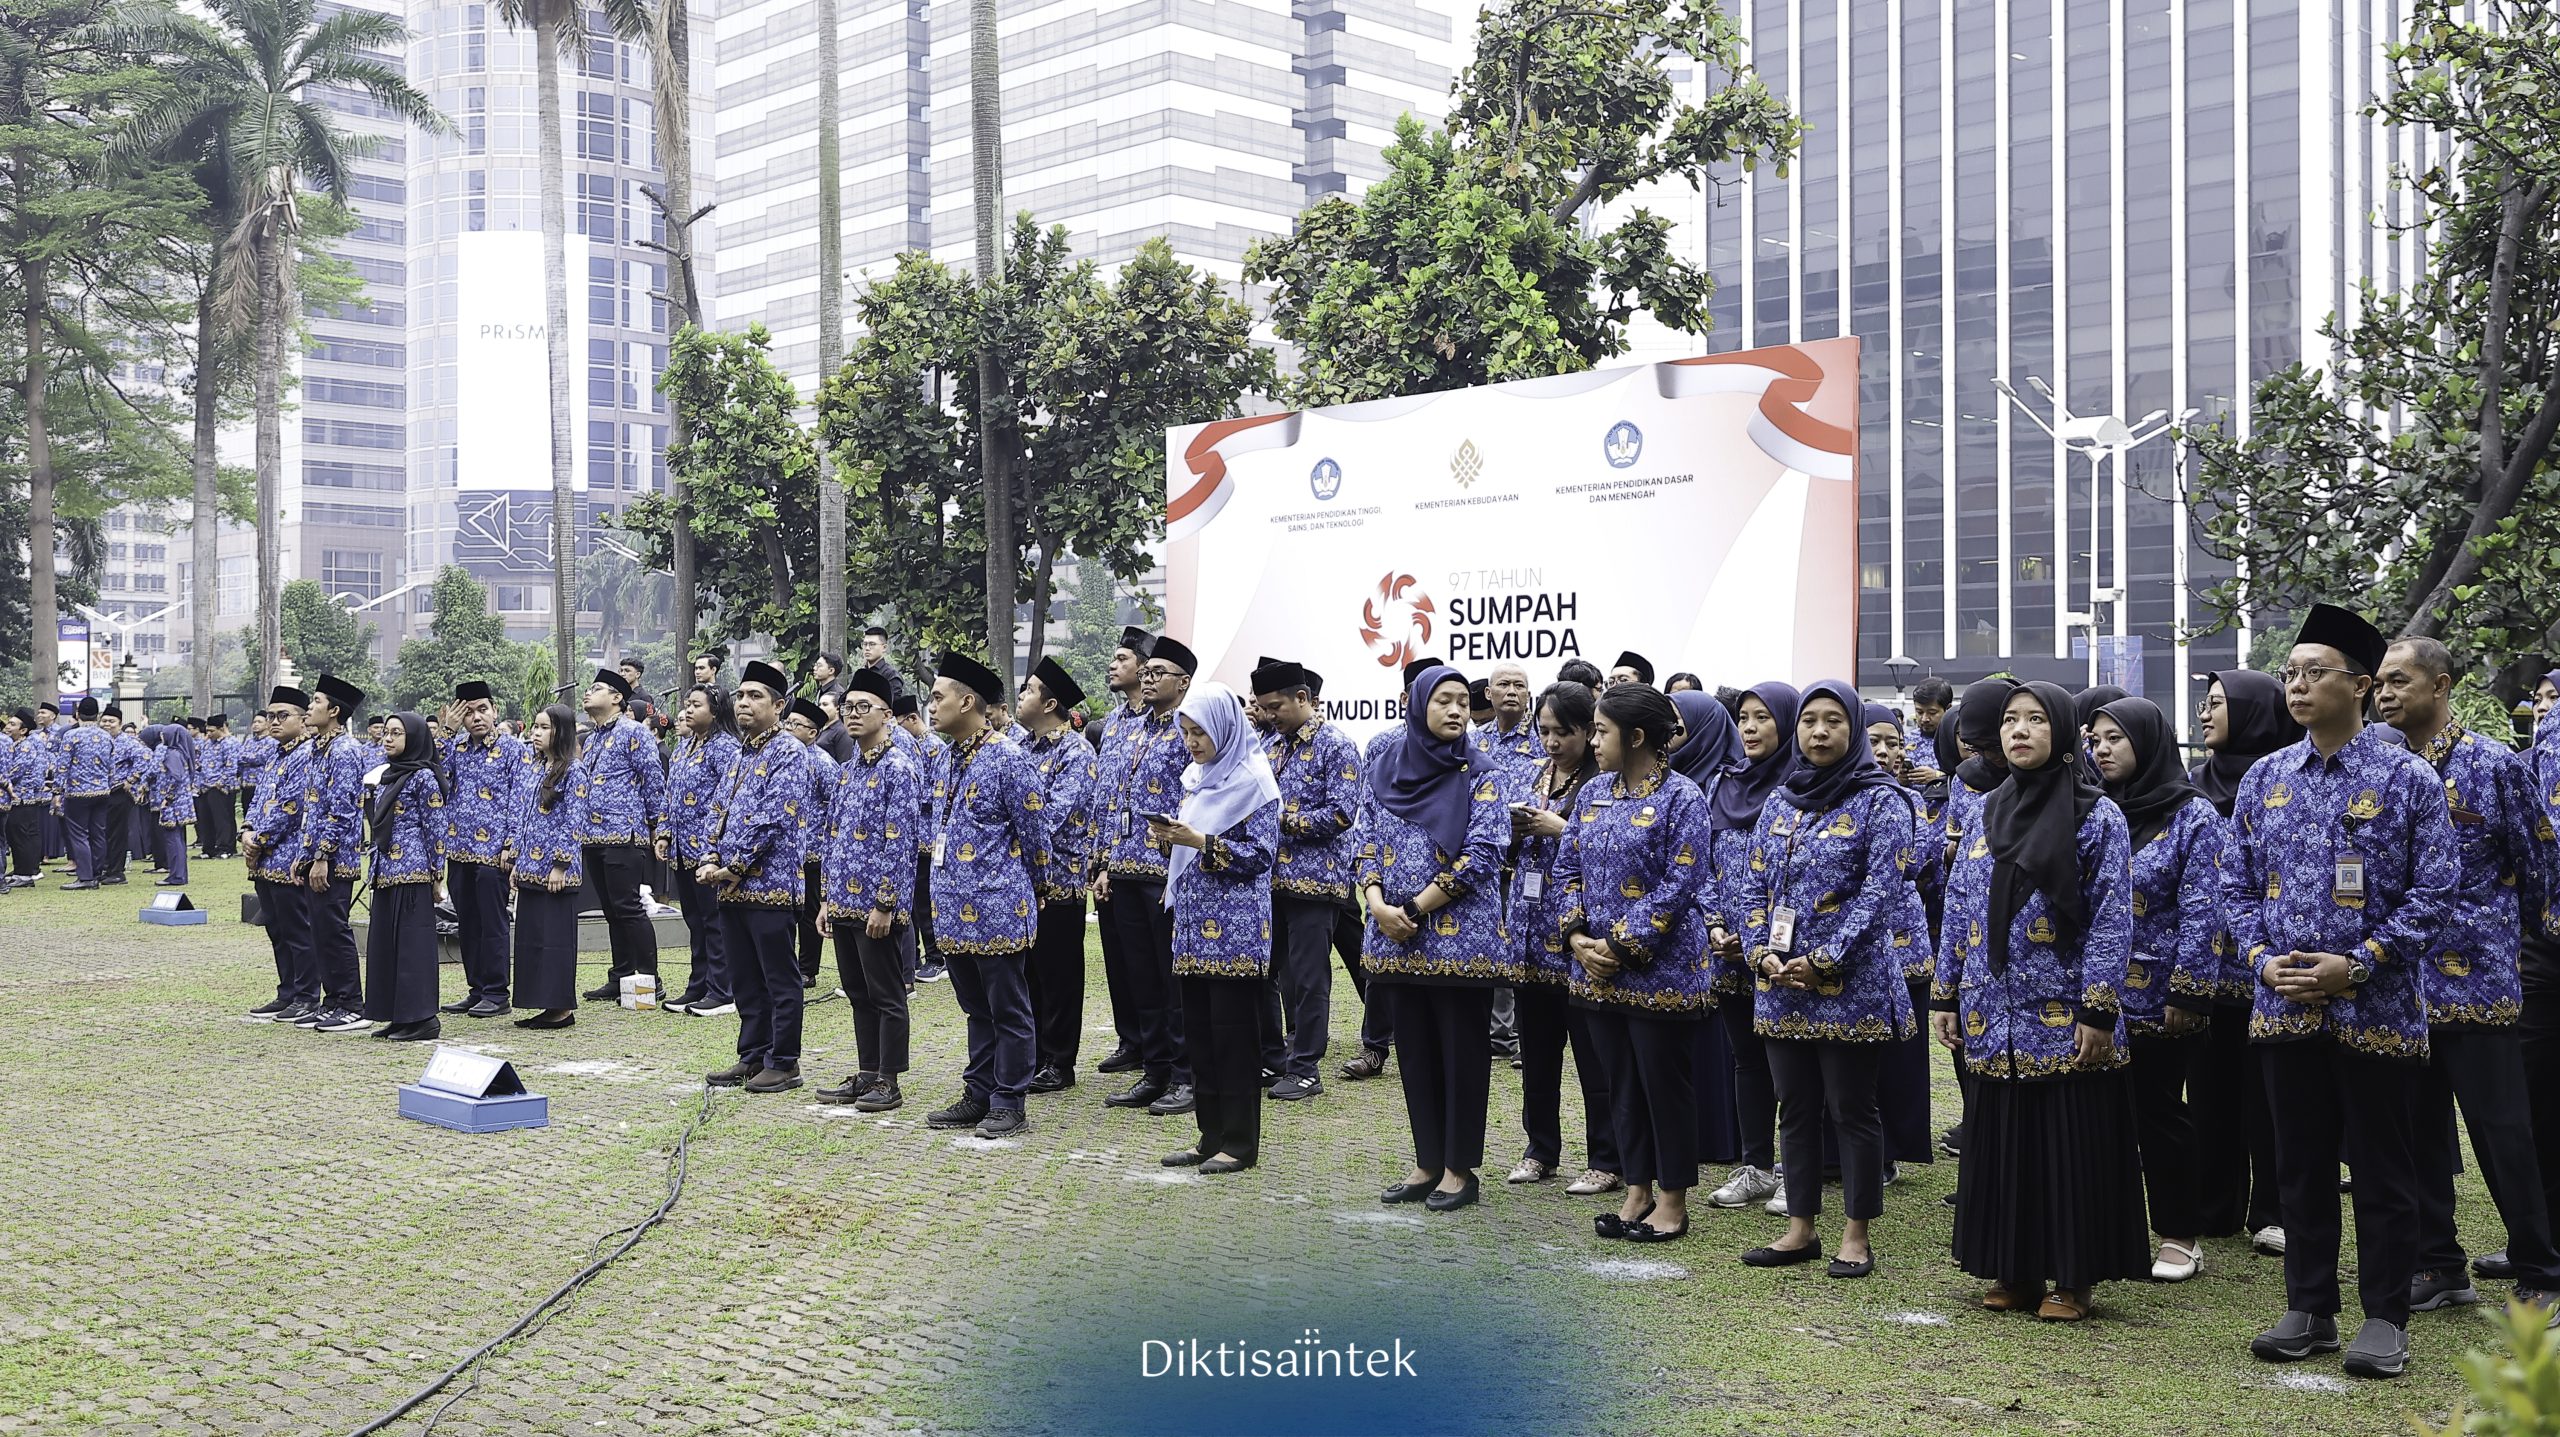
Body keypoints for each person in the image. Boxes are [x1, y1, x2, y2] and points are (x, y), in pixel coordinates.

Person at [2224, 606, 2459, 1379]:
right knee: (2300, 1165)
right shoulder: (2265, 778)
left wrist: (2358, 964)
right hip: (2283, 1008)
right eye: (2290, 673)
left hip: (2377, 1010)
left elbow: (2436, 892)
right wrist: (2262, 961)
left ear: (2359, 686)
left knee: (2385, 1171)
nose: (2297, 685)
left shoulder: (2407, 778)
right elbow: (2234, 886)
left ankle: (2385, 1315)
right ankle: (2309, 1306)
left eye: (2313, 672)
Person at [1935, 681, 2146, 1321]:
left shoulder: (2097, 815)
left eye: (2035, 719)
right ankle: (2015, 1269)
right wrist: (1947, 993)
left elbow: (2112, 919)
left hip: (2064, 1013)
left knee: (2067, 1144)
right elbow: (1959, 907)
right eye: (2009, 720)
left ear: (2063, 733)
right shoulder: (1983, 811)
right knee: (2006, 1143)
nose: (2019, 730)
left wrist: (2098, 1009)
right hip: (1991, 1012)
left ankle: (2072, 1279)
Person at [2375, 637, 2560, 1316]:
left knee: (2502, 1133)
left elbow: (2542, 864)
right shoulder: (2382, 771)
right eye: (2380, 683)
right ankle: (2439, 1264)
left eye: (2400, 681)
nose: (2386, 694)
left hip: (2480, 984)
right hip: (2401, 986)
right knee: (2418, 1133)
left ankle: (2542, 1270)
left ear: (2441, 684)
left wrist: (2531, 951)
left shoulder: (2494, 765)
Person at [1735, 681, 1914, 1275]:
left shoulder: (1883, 801)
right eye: (1809, 720)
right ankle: (1800, 1229)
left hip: (1850, 987)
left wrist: (1825, 960)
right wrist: (1760, 951)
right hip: (1781, 984)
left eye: (1833, 720)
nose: (1818, 731)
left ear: (1853, 728)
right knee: (1794, 1106)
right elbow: (1753, 883)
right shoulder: (1782, 800)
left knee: (1851, 1109)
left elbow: (1880, 895)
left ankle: (1856, 1235)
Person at [1551, 683, 1718, 1242]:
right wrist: (1577, 937)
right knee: (1620, 1084)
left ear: (1637, 736)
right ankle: (1636, 1190)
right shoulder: (1594, 793)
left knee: (1663, 1086)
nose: (1593, 742)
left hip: (1661, 973)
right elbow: (1565, 868)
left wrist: (1619, 946)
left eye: (1601, 731)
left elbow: (1682, 882)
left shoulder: (1682, 797)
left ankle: (1672, 1200)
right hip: (1595, 972)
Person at [1363, 664, 1516, 1213]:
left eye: (1462, 702)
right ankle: (1426, 1162)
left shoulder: (1483, 774)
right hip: (1396, 939)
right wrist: (1377, 903)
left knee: (1462, 1057)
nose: (1455, 710)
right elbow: (1365, 842)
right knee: (1416, 1055)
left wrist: (1413, 908)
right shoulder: (1384, 767)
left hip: (1460, 944)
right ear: (1417, 705)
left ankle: (1459, 1168)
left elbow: (1484, 853)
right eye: (1442, 700)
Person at [2089, 695, 2224, 1284]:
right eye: (2095, 740)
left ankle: (2178, 1234)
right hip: (2097, 993)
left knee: (2158, 1111)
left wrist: (2189, 993)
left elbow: (2205, 910)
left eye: (2115, 738)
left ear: (2147, 742)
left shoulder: (2193, 816)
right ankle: (2110, 1228)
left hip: (2159, 996)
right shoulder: (2093, 809)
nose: (2102, 749)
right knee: (2098, 1116)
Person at [2189, 667, 2302, 1252]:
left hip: (2272, 970)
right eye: (2204, 703)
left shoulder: (2288, 781)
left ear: (2255, 712)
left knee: (2272, 1098)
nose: (2205, 713)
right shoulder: (2192, 784)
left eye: (2218, 703)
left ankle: (2274, 1210)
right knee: (2212, 1092)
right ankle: (2216, 1204)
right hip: (2209, 972)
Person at [920, 652, 1055, 1139]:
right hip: (952, 909)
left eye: (938, 697)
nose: (931, 706)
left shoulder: (1009, 758)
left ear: (967, 702)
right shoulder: (945, 758)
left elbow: (1036, 834)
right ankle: (978, 1093)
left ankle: (1009, 1101)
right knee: (976, 1009)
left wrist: (1038, 888)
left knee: (1008, 1009)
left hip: (998, 907)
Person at [1155, 681, 1283, 1174]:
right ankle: (1210, 1136)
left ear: (1225, 728)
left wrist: (1202, 842)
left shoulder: (1255, 782)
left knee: (1234, 1040)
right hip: (1191, 930)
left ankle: (1240, 1142)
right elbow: (1190, 847)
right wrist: (1171, 839)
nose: (1192, 742)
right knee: (1201, 1040)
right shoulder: (1197, 779)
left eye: (1200, 732)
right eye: (1186, 732)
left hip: (1236, 932)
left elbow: (1260, 857)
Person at [1504, 681, 1617, 1188]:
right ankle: (1540, 1149)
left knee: (1593, 1059)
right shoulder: (1533, 774)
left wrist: (1561, 828)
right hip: (1530, 936)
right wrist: (1511, 830)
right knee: (1537, 1056)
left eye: (1563, 732)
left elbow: (1613, 851)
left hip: (1579, 938)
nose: (1552, 742)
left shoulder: (1604, 782)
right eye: (1544, 730)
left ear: (1588, 730)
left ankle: (1606, 1159)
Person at [1702, 682, 1800, 1212]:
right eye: (1743, 717)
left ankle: (1796, 1171)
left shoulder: (1803, 786)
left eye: (1763, 717)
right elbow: (1704, 864)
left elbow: (1805, 879)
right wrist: (1717, 926)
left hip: (1782, 954)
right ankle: (1756, 1165)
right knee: (1747, 1060)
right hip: (1728, 952)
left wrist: (1761, 940)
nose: (1751, 728)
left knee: (1792, 1067)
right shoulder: (1724, 783)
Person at [1249, 660, 1362, 1103]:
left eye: (1275, 706)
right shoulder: (1269, 745)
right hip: (1269, 880)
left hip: (1317, 884)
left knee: (1310, 979)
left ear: (1302, 698)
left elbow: (1341, 813)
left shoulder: (1337, 745)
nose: (1269, 715)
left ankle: (1306, 1068)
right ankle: (1272, 1059)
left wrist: (1280, 821)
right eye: (1263, 707)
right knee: (1264, 972)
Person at [1097, 637, 1201, 1116]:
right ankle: (1155, 1070)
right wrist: (1104, 863)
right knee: (1141, 977)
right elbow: (1112, 800)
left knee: (1172, 978)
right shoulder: (1131, 729)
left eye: (1160, 672)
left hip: (1167, 872)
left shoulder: (1190, 731)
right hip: (1124, 868)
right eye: (1148, 671)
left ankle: (1186, 1075)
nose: (1149, 679)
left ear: (1183, 682)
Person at [698, 662, 812, 1088]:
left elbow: (773, 819)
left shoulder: (789, 752)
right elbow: (717, 811)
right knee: (745, 977)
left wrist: (735, 865)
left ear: (779, 706)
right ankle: (752, 1055)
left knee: (778, 978)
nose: (743, 703)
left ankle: (783, 1061)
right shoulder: (740, 753)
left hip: (771, 887)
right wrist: (710, 856)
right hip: (731, 888)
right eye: (741, 696)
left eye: (755, 696)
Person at [813, 669, 922, 1111]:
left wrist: (885, 903)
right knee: (857, 992)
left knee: (886, 994)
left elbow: (901, 843)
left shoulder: (899, 768)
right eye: (848, 708)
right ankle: (866, 1072)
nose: (853, 715)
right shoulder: (847, 771)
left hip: (878, 906)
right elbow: (831, 836)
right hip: (843, 902)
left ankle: (888, 1080)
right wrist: (825, 899)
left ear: (887, 715)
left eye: (864, 707)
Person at [1018, 657, 1097, 1093]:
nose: (1021, 696)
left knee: (1059, 975)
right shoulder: (1022, 748)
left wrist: (1009, 831)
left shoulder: (1075, 752)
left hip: (1060, 881)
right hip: (1023, 881)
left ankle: (1059, 1061)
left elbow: (1049, 818)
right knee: (1029, 972)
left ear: (1050, 704)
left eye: (1029, 690)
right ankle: (1033, 1055)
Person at [575, 667, 670, 1002]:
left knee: (628, 908)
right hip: (593, 835)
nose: (588, 692)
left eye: (596, 688)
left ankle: (649, 980)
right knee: (612, 910)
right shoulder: (592, 738)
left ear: (616, 697)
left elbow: (653, 780)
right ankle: (621, 976)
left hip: (623, 834)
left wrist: (657, 826)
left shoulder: (634, 732)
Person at [436, 682, 524, 1019]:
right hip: (459, 850)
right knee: (467, 924)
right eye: (468, 712)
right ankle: (476, 989)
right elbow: (433, 776)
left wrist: (511, 846)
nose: (476, 718)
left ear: (495, 711)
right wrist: (446, 731)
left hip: (493, 854)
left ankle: (497, 992)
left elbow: (520, 799)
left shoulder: (513, 749)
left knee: (492, 923)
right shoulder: (456, 747)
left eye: (482, 710)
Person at [1089, 628, 1154, 1073]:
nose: (1113, 665)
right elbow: (1104, 798)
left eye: (1122, 658)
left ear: (1144, 669)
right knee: (1117, 955)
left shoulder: (1165, 720)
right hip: (1110, 856)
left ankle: (1157, 1047)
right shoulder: (1110, 724)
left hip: (1149, 861)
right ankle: (1130, 1040)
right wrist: (1100, 862)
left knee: (1148, 962)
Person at [360, 713, 447, 1041]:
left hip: (413, 872)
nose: (388, 738)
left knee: (413, 948)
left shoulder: (424, 777)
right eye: (386, 732)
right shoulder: (389, 774)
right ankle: (398, 1015)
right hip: (385, 871)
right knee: (387, 946)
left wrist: (437, 875)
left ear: (414, 738)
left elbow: (436, 827)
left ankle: (422, 1019)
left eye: (397, 733)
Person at [298, 675, 372, 1033]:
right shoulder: (319, 748)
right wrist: (304, 855)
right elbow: (312, 809)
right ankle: (332, 1001)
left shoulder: (344, 751)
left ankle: (351, 1003)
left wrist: (323, 857)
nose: (309, 707)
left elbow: (341, 811)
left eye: (316, 701)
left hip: (335, 860)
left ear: (334, 711)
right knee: (320, 931)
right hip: (315, 855)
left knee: (334, 929)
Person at [661, 683, 740, 1017]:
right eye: (687, 704)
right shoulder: (683, 747)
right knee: (694, 920)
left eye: (696, 704)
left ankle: (722, 990)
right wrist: (664, 833)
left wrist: (718, 849)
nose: (688, 710)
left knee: (714, 921)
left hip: (709, 852)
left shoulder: (726, 748)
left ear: (715, 710)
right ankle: (698, 985)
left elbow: (730, 801)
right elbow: (669, 793)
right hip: (682, 850)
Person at [240, 689, 318, 1021]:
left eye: (283, 715)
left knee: (298, 930)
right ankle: (287, 992)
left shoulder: (306, 754)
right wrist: (246, 831)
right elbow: (258, 800)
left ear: (303, 719)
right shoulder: (275, 755)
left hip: (289, 857)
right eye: (270, 716)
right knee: (276, 928)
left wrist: (257, 840)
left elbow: (291, 807)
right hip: (264, 859)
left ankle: (307, 995)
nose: (274, 722)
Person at [509, 705, 586, 1031]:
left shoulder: (574, 771)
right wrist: (516, 860)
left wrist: (560, 864)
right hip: (529, 867)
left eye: (544, 728)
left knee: (555, 940)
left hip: (555, 872)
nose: (535, 734)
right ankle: (542, 1003)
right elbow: (524, 816)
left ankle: (560, 1009)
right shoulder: (537, 767)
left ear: (561, 732)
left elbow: (574, 822)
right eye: (535, 727)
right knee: (532, 939)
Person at [785, 697, 838, 989]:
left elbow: (835, 806)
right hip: (787, 850)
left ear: (812, 732)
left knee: (809, 912)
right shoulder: (783, 758)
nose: (789, 729)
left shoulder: (822, 763)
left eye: (796, 725)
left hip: (813, 851)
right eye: (787, 723)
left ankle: (807, 969)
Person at [1471, 662, 1543, 778]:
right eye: (1503, 684)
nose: (1512, 692)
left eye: (1519, 686)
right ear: (1488, 693)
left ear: (1527, 696)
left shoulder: (1544, 735)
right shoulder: (1473, 740)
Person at [149, 722, 194, 886]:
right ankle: (179, 874)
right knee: (177, 839)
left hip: (173, 804)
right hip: (180, 802)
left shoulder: (172, 754)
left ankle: (176, 876)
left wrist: (167, 798)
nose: (161, 736)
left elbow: (176, 778)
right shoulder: (181, 753)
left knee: (172, 839)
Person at [2, 711, 41, 884]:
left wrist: (2, 779)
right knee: (13, 835)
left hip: (22, 796)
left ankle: (26, 874)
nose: (7, 727)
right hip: (14, 797)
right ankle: (19, 871)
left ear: (23, 730)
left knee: (22, 836)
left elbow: (15, 771)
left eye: (12, 724)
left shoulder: (25, 747)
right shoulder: (14, 745)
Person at [196, 713, 237, 858]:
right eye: (207, 730)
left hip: (220, 787)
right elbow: (200, 764)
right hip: (205, 786)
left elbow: (231, 767)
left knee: (222, 819)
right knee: (206, 819)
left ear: (221, 729)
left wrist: (220, 783)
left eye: (212, 731)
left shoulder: (229, 744)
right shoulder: (207, 744)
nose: (209, 733)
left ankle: (225, 848)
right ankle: (208, 848)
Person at [858, 626, 904, 700]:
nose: (867, 648)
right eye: (865, 644)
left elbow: (894, 703)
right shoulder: (860, 673)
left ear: (884, 647)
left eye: (872, 644)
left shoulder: (891, 676)